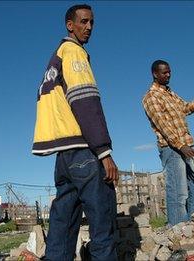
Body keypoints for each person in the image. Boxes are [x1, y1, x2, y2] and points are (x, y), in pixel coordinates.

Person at [32, 4, 118, 260]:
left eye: (92, 22)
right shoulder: (74, 53)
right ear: (70, 25)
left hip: (64, 158)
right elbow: (85, 102)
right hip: (84, 152)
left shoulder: (54, 59)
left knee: (63, 223)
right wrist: (104, 152)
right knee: (102, 221)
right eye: (83, 22)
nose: (89, 27)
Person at [142, 59, 194, 226]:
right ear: (155, 74)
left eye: (169, 72)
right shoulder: (151, 97)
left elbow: (187, 108)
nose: (168, 75)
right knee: (178, 192)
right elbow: (163, 125)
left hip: (186, 147)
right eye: (164, 72)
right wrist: (181, 146)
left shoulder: (170, 94)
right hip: (172, 149)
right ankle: (178, 230)